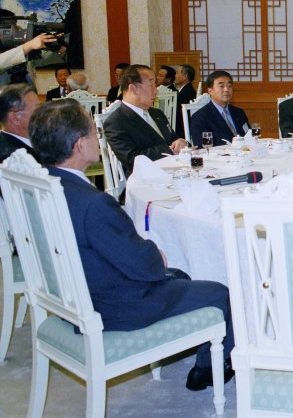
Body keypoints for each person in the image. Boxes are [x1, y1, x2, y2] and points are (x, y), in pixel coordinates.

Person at [28, 99, 234, 391]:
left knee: (182, 276)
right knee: (220, 291)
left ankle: (196, 346)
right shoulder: (93, 203)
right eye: (93, 133)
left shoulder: (42, 188)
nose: (98, 140)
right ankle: (209, 369)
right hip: (117, 305)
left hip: (74, 295)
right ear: (79, 145)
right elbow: (143, 266)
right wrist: (156, 255)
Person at [103, 64, 187, 176]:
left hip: (175, 172)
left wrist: (181, 142)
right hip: (145, 179)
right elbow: (133, 159)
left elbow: (173, 138)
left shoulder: (157, 113)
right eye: (151, 85)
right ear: (133, 88)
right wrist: (169, 149)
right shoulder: (116, 122)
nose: (156, 91)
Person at [189, 70, 250, 147]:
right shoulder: (200, 117)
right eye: (221, 86)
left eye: (229, 86)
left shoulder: (239, 112)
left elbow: (249, 136)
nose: (226, 89)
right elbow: (202, 148)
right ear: (210, 91)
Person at [0, 83, 41, 162]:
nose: (45, 113)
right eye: (38, 109)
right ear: (15, 118)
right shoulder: (12, 159)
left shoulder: (38, 139)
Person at [174, 64, 196, 139]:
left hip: (183, 130)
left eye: (177, 73)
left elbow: (178, 114)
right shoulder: (186, 89)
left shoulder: (186, 92)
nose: (175, 75)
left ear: (185, 76)